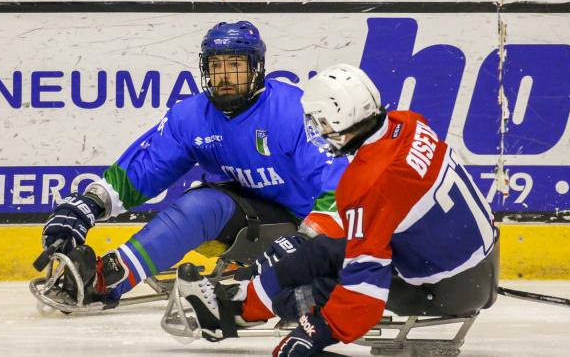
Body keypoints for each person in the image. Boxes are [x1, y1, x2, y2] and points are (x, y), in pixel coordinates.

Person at [176, 63, 500, 356]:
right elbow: (392, 209)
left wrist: (317, 332)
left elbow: (364, 296)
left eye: (319, 122)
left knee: (304, 292)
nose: (317, 130)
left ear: (338, 119)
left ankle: (244, 306)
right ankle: (237, 303)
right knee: (316, 251)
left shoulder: (365, 184)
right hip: (481, 263)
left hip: (440, 290)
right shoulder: (409, 124)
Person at [40, 21, 347, 306]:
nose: (224, 75)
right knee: (201, 205)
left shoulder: (294, 110)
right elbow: (146, 168)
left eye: (235, 65)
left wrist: (306, 244)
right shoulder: (191, 117)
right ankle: (105, 278)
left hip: (318, 227)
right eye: (215, 65)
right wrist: (89, 204)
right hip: (262, 217)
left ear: (257, 68)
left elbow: (341, 187)